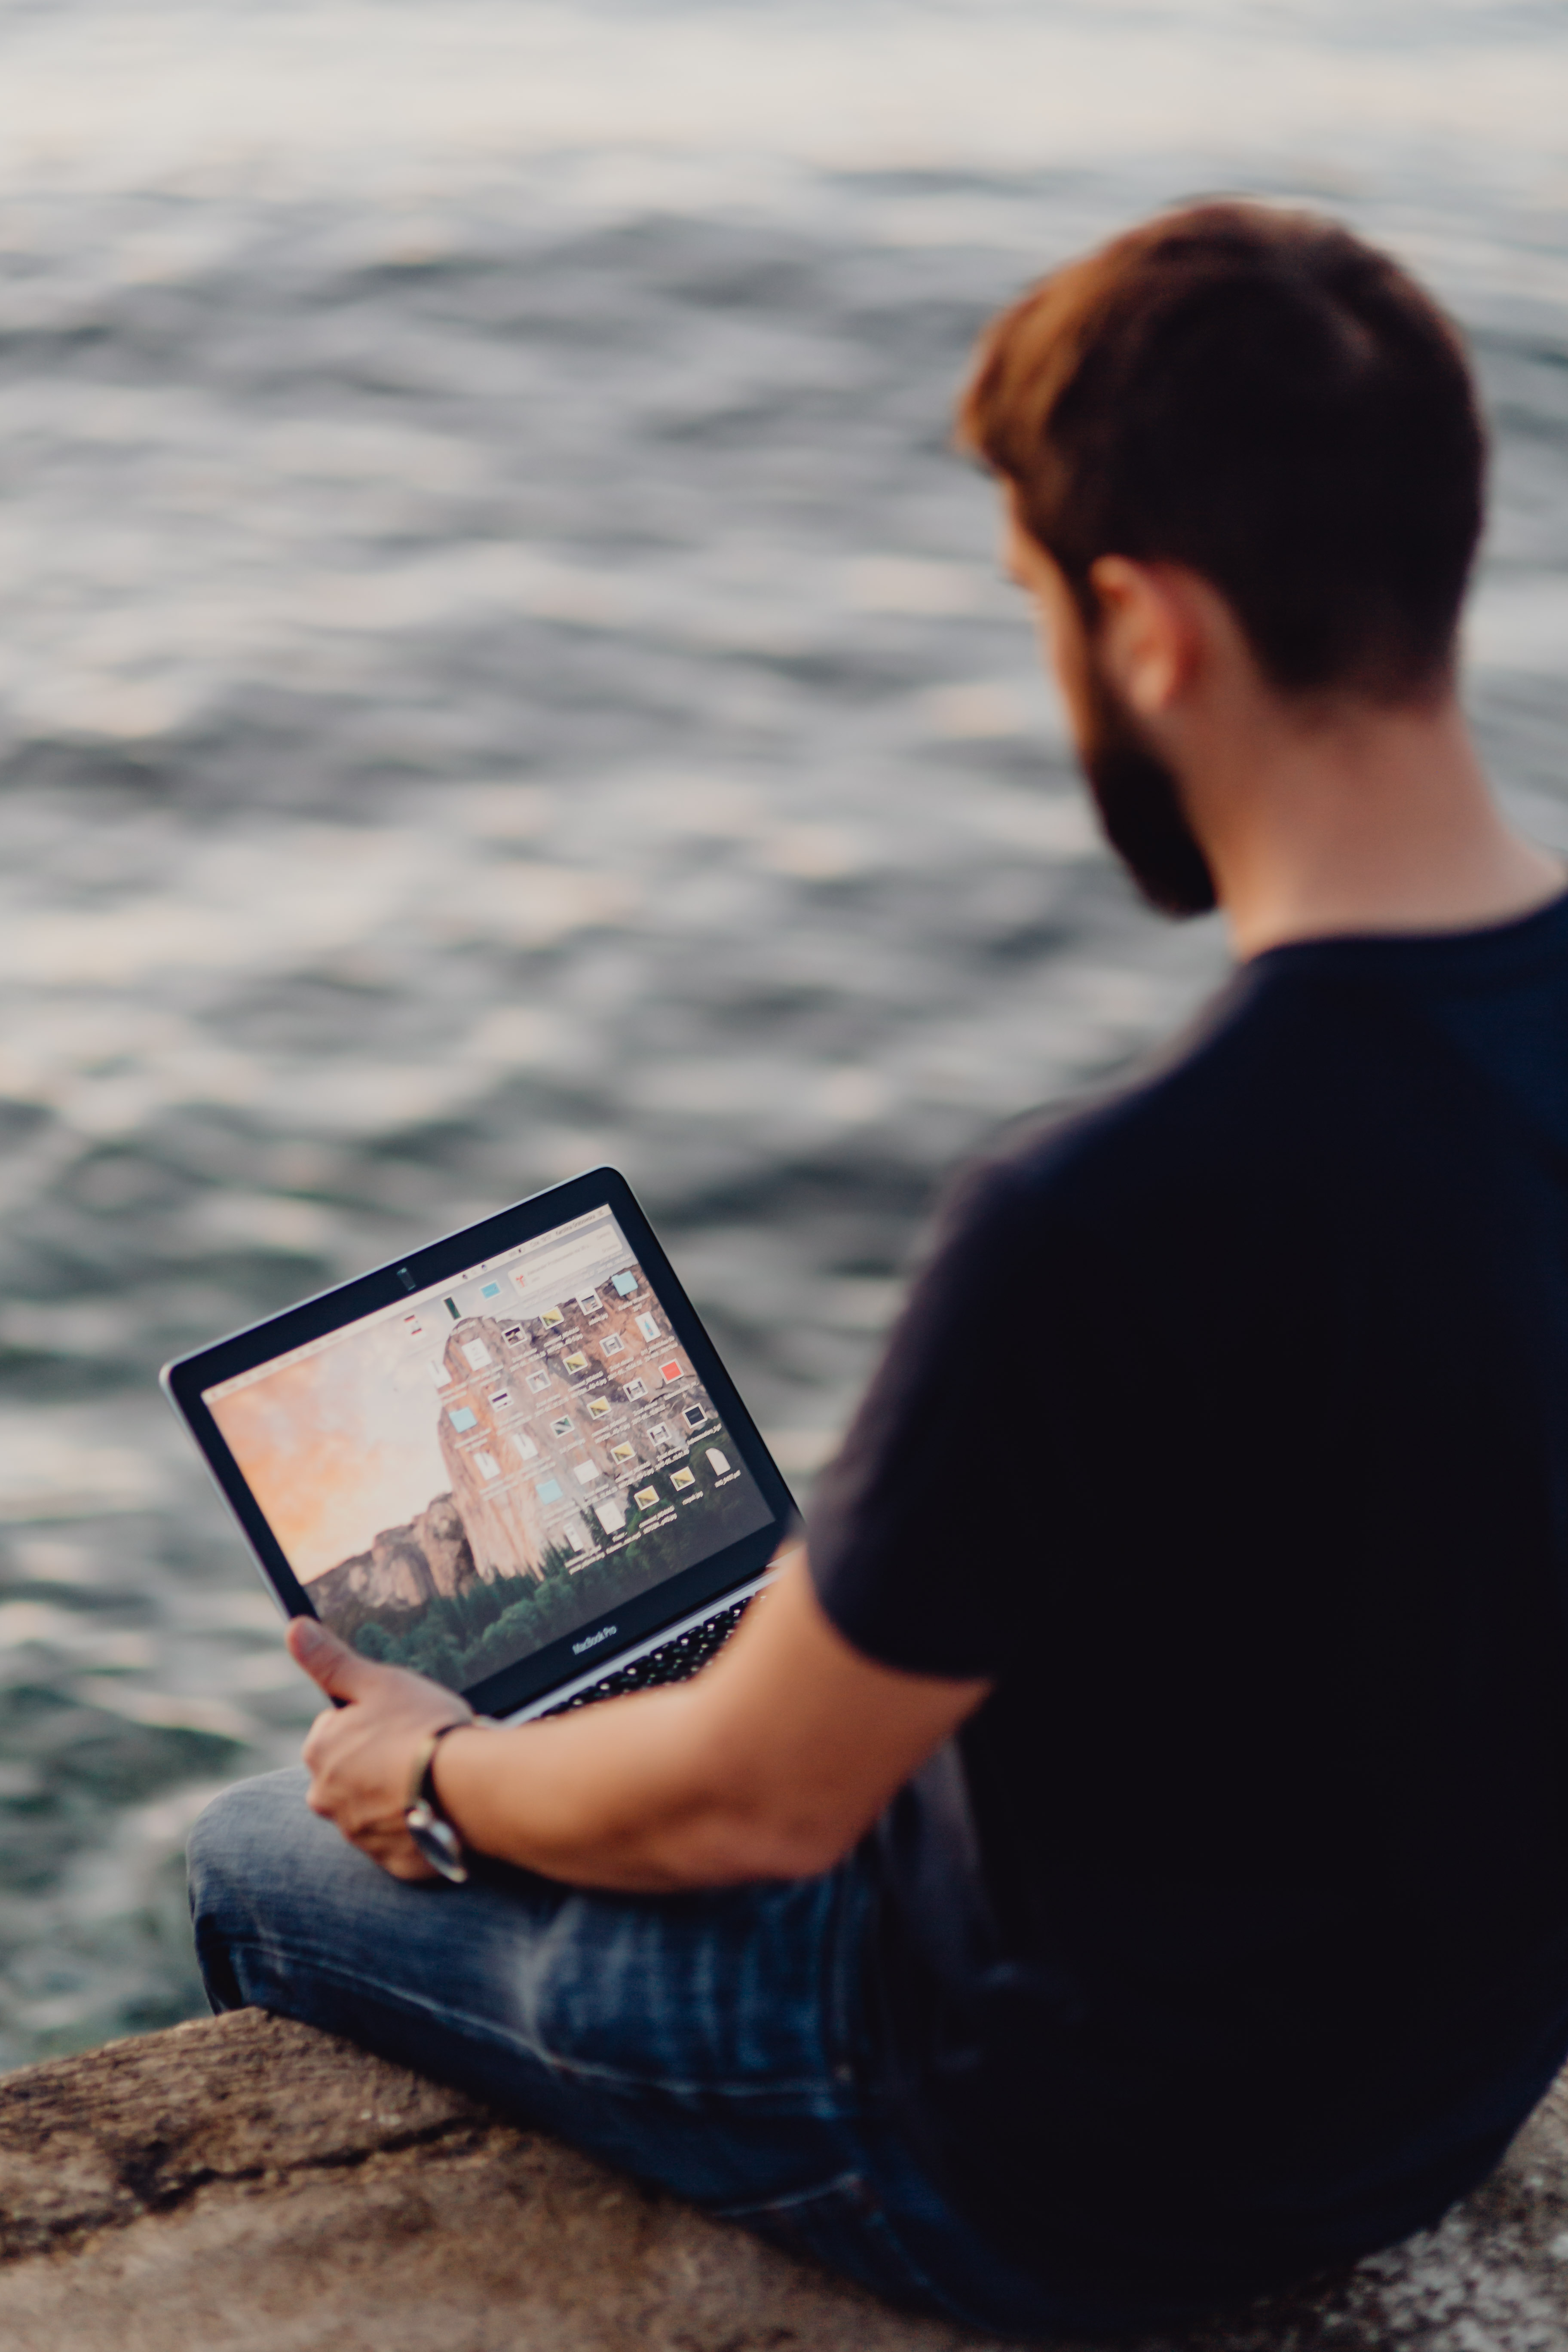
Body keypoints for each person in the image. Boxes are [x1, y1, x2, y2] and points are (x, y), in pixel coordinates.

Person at [188, 201, 1568, 2335]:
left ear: (1151, 628)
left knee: (261, 1852)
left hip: (1080, 2159)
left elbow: (754, 1799)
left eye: (1039, 610)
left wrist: (438, 1774)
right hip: (1444, 2085)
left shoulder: (1114, 1212)